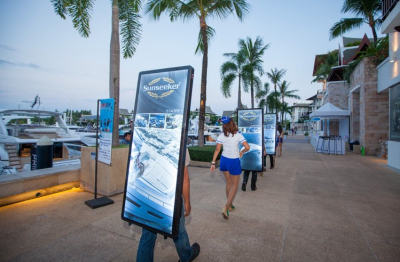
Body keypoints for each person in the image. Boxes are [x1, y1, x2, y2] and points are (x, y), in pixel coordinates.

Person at [136, 149, 200, 262]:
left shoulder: (144, 140)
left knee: (147, 235)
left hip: (148, 196)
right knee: (178, 231)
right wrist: (187, 202)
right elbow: (184, 177)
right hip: (171, 198)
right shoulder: (179, 142)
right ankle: (186, 256)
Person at [210, 116, 250, 220]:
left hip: (223, 161)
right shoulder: (238, 135)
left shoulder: (221, 135)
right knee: (235, 185)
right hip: (233, 161)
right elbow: (247, 147)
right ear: (233, 124)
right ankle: (226, 207)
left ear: (224, 125)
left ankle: (230, 205)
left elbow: (217, 149)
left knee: (228, 183)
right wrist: (242, 151)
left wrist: (213, 163)